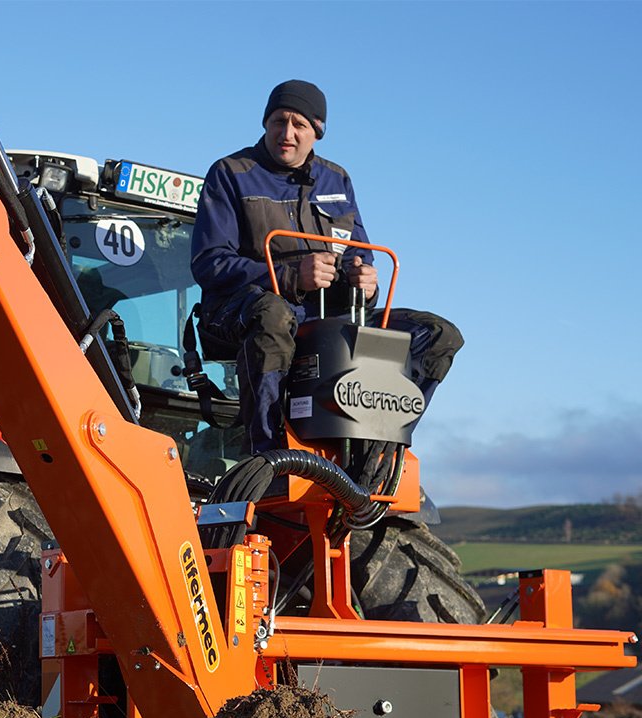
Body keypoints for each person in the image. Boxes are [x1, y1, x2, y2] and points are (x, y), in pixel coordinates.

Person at [191, 79, 463, 452]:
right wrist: (289, 277)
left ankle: (380, 453)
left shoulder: (337, 179)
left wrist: (365, 282)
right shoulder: (231, 173)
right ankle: (267, 454)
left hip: (327, 317)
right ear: (265, 124)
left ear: (317, 131)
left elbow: (360, 252)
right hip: (241, 313)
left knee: (438, 333)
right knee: (272, 315)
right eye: (278, 121)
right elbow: (209, 263)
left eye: (299, 124)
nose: (287, 133)